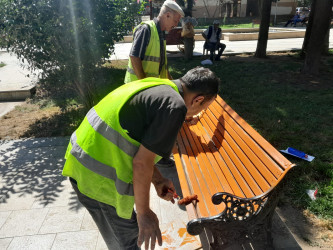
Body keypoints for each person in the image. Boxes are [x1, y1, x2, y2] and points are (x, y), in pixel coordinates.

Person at [62, 67, 220, 250]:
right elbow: (141, 163)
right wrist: (144, 213)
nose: (194, 116)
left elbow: (137, 144)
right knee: (128, 242)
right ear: (198, 100)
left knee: (123, 237)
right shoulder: (175, 106)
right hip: (96, 175)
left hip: (83, 158)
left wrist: (158, 179)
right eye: (203, 108)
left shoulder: (160, 84)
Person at [124, 0, 184, 84]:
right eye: (175, 21)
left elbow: (163, 66)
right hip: (136, 88)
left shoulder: (160, 33)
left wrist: (174, 84)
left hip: (150, 88)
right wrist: (145, 84)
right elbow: (134, 57)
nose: (176, 25)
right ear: (167, 15)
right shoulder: (146, 29)